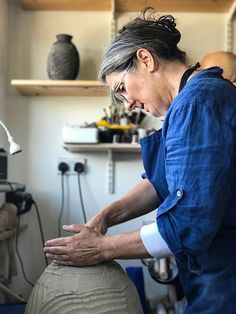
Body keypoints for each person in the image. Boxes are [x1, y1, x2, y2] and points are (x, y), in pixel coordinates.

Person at [44, 8, 236, 313]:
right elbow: (159, 184)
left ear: (145, 59)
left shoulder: (199, 103)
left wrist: (101, 248)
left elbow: (187, 226)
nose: (129, 103)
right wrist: (105, 217)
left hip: (227, 281)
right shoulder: (187, 104)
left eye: (122, 88)